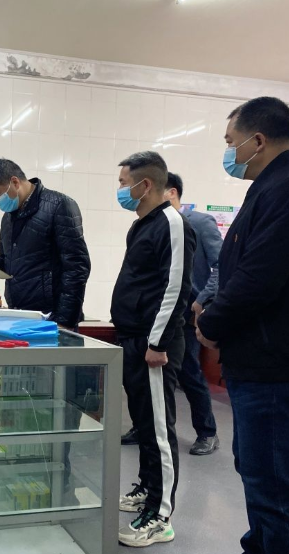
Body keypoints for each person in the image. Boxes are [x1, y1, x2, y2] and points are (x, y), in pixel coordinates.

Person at [196, 97, 289, 554]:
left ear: (257, 140)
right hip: (263, 362)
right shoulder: (272, 187)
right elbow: (242, 269)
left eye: (230, 142)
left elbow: (259, 277)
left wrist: (212, 323)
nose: (228, 151)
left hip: (281, 366)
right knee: (260, 477)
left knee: (277, 495)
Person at [111, 151, 195, 547]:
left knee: (160, 430)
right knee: (144, 424)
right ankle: (147, 488)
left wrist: (157, 343)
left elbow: (176, 287)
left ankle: (161, 516)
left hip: (154, 345)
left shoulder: (173, 224)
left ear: (145, 185)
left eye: (123, 183)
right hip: (132, 338)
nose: (119, 189)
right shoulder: (140, 225)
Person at [123, 173, 221, 455]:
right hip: (152, 312)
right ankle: (143, 427)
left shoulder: (198, 223)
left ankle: (207, 432)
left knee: (188, 373)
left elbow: (221, 265)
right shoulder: (146, 225)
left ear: (172, 192)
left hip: (185, 311)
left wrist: (202, 299)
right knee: (142, 375)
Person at [0, 158, 90, 329]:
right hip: (20, 315)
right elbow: (10, 262)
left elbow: (77, 267)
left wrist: (64, 321)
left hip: (51, 318)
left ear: (14, 182)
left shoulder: (59, 205)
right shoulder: (8, 218)